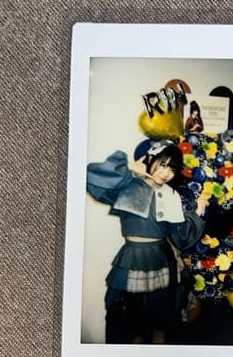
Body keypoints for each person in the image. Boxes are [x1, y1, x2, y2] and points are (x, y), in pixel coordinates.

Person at [86, 141, 205, 343]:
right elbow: (92, 177)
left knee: (160, 322)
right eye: (162, 164)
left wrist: (197, 212)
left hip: (162, 260)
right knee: (133, 324)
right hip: (133, 258)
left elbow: (182, 238)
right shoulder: (130, 185)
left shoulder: (171, 195)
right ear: (150, 159)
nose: (166, 173)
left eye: (172, 169)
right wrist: (129, 168)